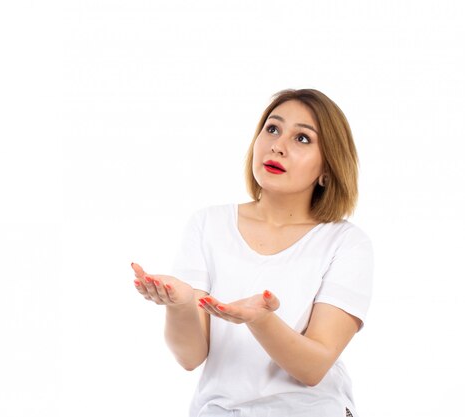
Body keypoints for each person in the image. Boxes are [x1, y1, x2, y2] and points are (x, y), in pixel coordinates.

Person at [131, 88, 373, 417]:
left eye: (302, 138)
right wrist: (182, 304)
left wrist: (261, 321)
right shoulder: (208, 224)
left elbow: (313, 367)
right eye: (272, 128)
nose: (278, 145)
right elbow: (190, 357)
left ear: (327, 169)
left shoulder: (345, 242)